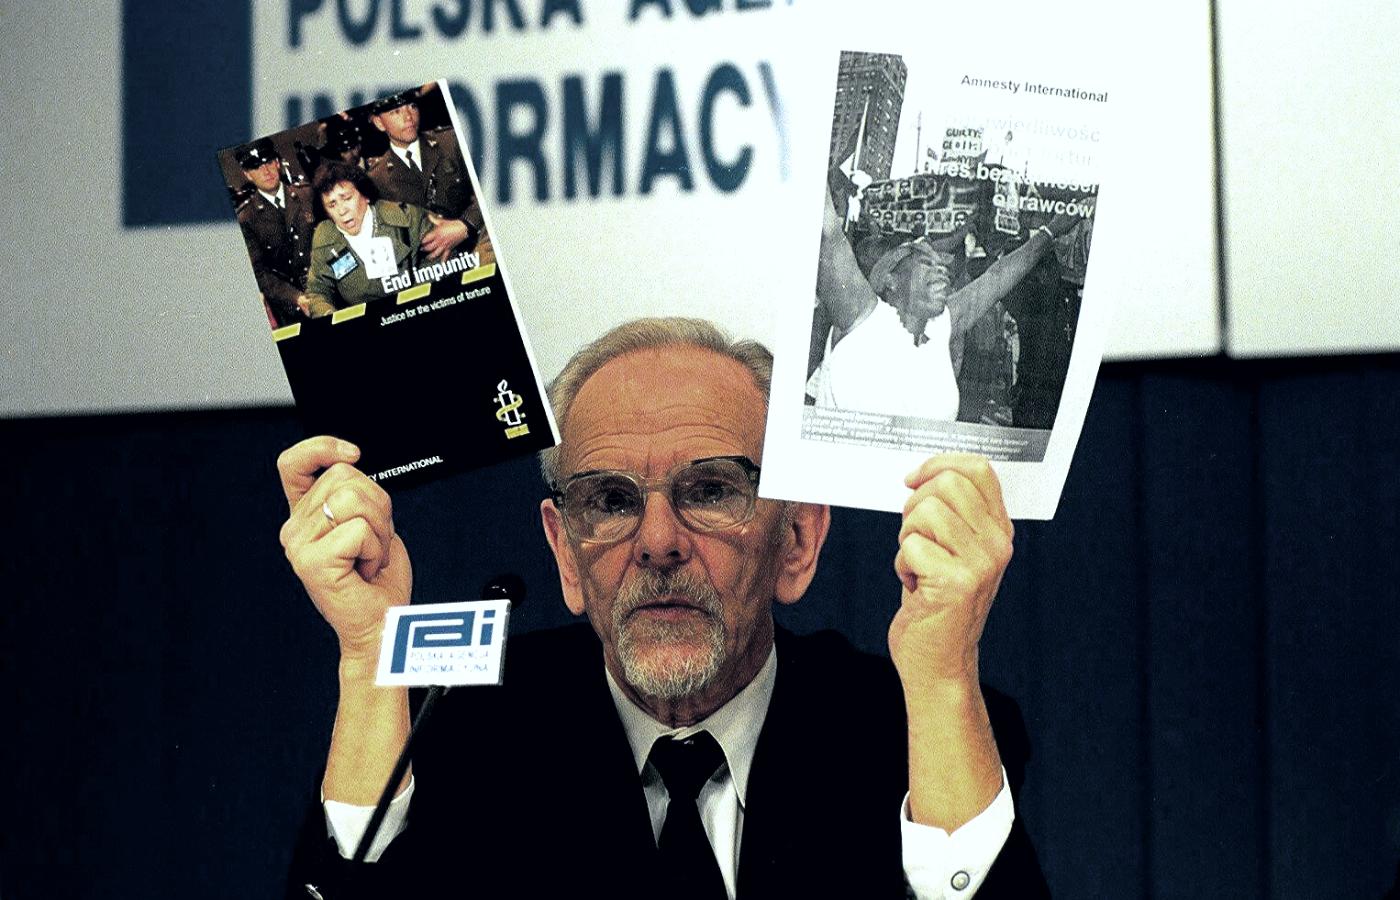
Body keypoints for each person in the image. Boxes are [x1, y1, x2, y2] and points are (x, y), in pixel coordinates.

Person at [279, 318, 1048, 898]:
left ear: (797, 538)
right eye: (610, 501)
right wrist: (368, 656)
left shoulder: (905, 731)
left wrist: (943, 678)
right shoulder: (459, 733)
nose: (657, 542)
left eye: (710, 490)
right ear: (565, 553)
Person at [810, 185, 1078, 422]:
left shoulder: (938, 328)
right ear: (890, 278)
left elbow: (996, 278)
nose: (941, 270)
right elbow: (827, 233)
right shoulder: (863, 318)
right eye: (927, 263)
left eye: (942, 266)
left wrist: (1050, 231)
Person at [300, 162, 465, 316]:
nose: (342, 211)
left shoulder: (406, 217)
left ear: (365, 196)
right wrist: (330, 315)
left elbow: (443, 259)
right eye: (332, 204)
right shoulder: (324, 237)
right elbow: (317, 292)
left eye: (347, 198)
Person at [366, 89, 480, 252]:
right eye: (396, 112)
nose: (408, 117)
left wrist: (466, 225)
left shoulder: (451, 141)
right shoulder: (377, 178)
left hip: (475, 242)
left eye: (412, 106)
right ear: (379, 123)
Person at [233, 138, 317, 328]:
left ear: (277, 163)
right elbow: (260, 273)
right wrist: (296, 298)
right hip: (291, 307)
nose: (266, 171)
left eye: (269, 162)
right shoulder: (246, 218)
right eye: (256, 167)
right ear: (247, 174)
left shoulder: (306, 194)